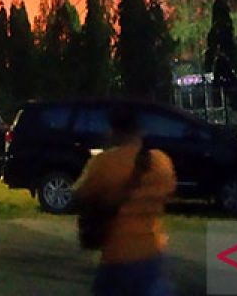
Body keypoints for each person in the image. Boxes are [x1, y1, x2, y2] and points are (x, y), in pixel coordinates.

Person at [72, 105, 177, 296]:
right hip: (152, 250)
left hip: (117, 253)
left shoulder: (104, 163)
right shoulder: (161, 161)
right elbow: (169, 189)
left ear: (112, 131)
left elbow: (80, 195)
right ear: (140, 130)